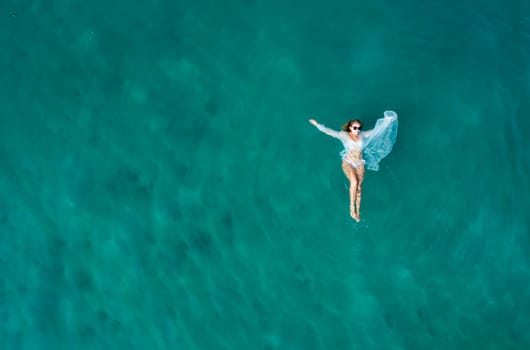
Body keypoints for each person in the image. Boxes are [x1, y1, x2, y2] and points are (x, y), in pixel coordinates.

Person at [309, 111, 398, 222]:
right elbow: (330, 132)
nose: (357, 130)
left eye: (359, 128)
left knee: (359, 187)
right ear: (350, 127)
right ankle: (351, 208)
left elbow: (377, 130)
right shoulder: (343, 135)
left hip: (360, 163)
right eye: (355, 128)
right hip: (348, 162)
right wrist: (317, 125)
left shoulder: (363, 135)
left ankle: (357, 211)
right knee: (354, 182)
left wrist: (388, 121)